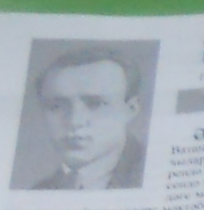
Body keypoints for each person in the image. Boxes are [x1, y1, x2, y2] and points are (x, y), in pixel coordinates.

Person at [30, 49, 148, 190]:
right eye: (56, 107)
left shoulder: (152, 173)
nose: (74, 121)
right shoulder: (39, 191)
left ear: (130, 110)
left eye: (95, 104)